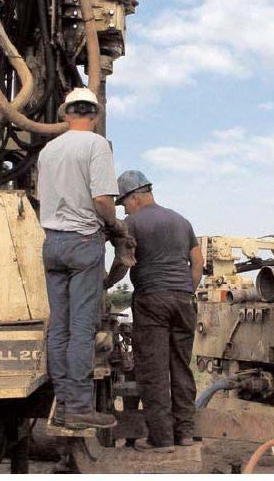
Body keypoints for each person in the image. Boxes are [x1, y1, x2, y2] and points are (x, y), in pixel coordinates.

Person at [38, 87, 133, 430]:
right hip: (82, 242)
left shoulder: (48, 151)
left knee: (59, 327)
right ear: (95, 116)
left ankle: (63, 404)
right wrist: (114, 225)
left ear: (65, 114)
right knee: (81, 327)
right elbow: (103, 200)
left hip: (52, 244)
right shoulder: (96, 146)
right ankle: (79, 406)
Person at [105, 170, 204, 453]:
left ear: (136, 197)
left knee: (154, 370)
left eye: (124, 202)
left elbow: (124, 261)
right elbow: (197, 263)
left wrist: (107, 282)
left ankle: (160, 439)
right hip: (184, 301)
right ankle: (185, 433)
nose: (124, 208)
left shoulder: (132, 223)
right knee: (181, 368)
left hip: (152, 301)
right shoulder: (181, 221)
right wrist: (186, 290)